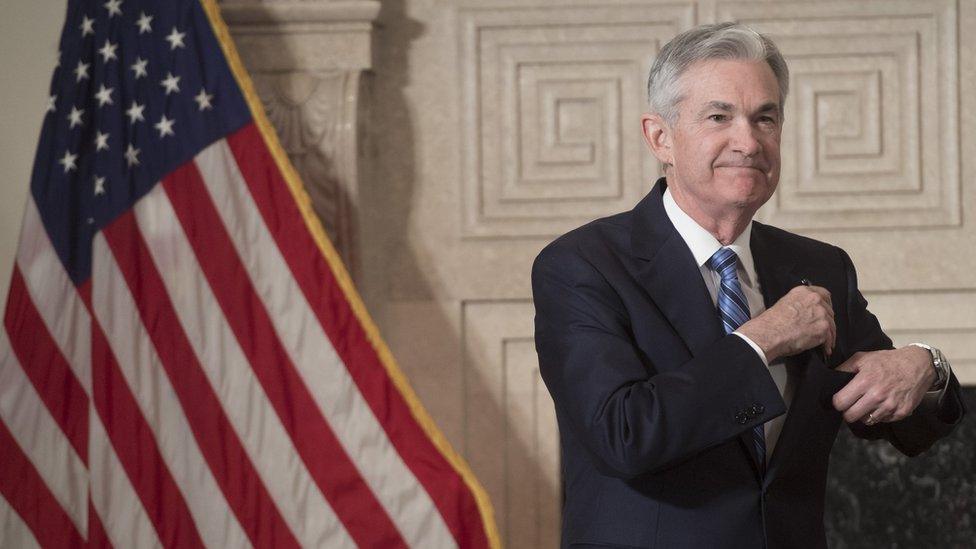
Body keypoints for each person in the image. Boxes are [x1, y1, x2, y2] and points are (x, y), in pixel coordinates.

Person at [531, 22, 965, 549]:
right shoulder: (581, 265)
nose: (749, 141)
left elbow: (903, 422)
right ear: (659, 137)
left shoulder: (819, 265)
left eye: (766, 118)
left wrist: (926, 364)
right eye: (720, 117)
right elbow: (625, 435)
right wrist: (763, 340)